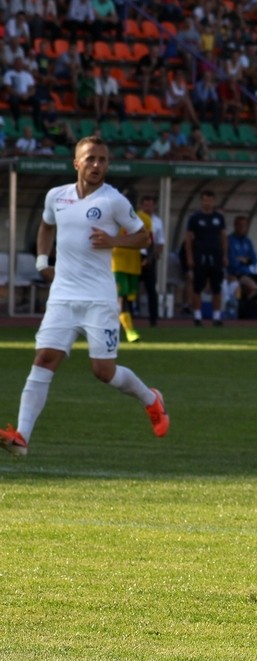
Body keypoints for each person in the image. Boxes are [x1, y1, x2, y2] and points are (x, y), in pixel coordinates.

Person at [1, 137, 170, 458]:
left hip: (98, 298)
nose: (97, 165)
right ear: (76, 163)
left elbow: (143, 237)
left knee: (103, 372)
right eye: (91, 159)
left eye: (103, 160)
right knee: (44, 359)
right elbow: (46, 226)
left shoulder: (114, 200)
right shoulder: (56, 196)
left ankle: (151, 399)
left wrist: (113, 239)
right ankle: (22, 436)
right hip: (63, 295)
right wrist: (41, 262)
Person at [184, 189, 229, 327]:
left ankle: (216, 316)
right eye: (205, 200)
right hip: (200, 256)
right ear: (201, 201)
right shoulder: (195, 218)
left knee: (217, 287)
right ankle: (197, 316)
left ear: (213, 201)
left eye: (210, 200)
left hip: (216, 256)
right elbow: (188, 239)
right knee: (198, 286)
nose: (207, 202)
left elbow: (223, 237)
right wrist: (190, 257)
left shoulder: (219, 218)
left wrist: (225, 255)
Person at [112, 195, 152, 342]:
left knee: (130, 298)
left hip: (134, 264)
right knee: (121, 297)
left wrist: (148, 257)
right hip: (117, 263)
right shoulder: (112, 217)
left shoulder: (143, 219)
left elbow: (149, 240)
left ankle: (124, 326)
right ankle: (130, 331)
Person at [139, 194, 164, 328]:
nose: (148, 207)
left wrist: (153, 257)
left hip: (150, 257)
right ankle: (129, 316)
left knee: (151, 288)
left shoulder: (158, 221)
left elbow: (160, 242)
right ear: (141, 205)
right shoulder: (136, 218)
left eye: (150, 204)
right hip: (136, 256)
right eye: (146, 204)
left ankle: (153, 318)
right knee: (130, 288)